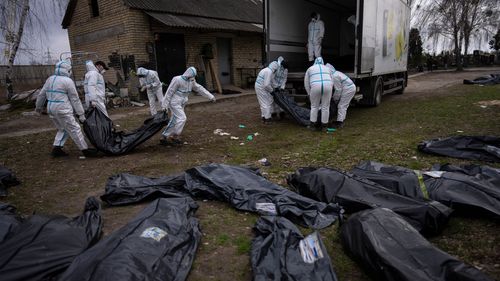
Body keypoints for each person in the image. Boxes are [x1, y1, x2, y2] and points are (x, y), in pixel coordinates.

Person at [35, 59, 97, 157]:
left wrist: (38, 108)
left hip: (51, 109)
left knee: (62, 129)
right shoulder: (67, 81)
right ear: (67, 70)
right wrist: (81, 114)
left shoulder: (50, 79)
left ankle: (57, 149)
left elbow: (41, 95)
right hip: (62, 109)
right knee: (75, 128)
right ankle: (85, 150)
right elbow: (75, 99)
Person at [160, 67, 216, 145]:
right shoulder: (177, 79)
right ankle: (173, 135)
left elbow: (199, 88)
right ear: (188, 74)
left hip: (182, 102)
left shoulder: (191, 80)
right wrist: (164, 105)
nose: (192, 78)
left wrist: (210, 96)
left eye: (193, 76)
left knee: (175, 119)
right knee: (182, 118)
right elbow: (169, 92)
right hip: (175, 102)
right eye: (191, 76)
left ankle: (165, 136)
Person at [304, 57, 333, 131]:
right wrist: (330, 90)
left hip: (315, 86)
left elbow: (306, 83)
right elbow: (332, 80)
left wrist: (308, 93)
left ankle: (313, 125)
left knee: (314, 106)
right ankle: (324, 126)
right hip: (328, 86)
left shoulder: (310, 69)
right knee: (325, 107)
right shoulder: (327, 68)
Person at [326, 63, 356, 129]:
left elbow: (338, 90)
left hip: (348, 89)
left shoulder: (334, 76)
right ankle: (341, 120)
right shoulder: (336, 73)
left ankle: (340, 123)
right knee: (343, 105)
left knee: (341, 105)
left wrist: (335, 99)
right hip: (349, 87)